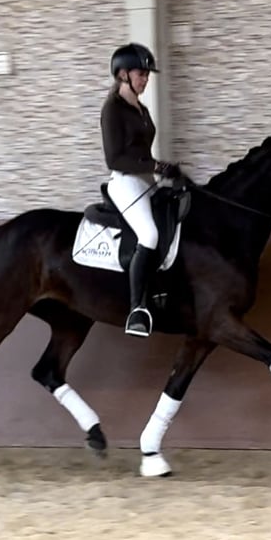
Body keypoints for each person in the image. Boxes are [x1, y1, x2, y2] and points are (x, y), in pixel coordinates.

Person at [100, 42, 178, 338]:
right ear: (123, 75)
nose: (145, 79)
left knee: (173, 219)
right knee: (149, 235)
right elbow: (114, 158)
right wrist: (157, 166)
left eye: (147, 75)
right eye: (141, 74)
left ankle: (161, 288)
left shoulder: (141, 108)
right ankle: (136, 310)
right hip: (125, 181)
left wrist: (165, 171)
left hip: (146, 179)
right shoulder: (112, 110)